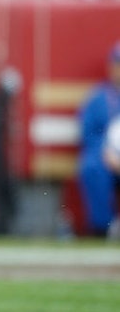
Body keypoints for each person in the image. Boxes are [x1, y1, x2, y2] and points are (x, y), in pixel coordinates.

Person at [77, 41, 120, 237]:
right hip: (107, 156)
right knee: (92, 167)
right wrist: (107, 152)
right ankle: (103, 227)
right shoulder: (98, 98)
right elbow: (89, 132)